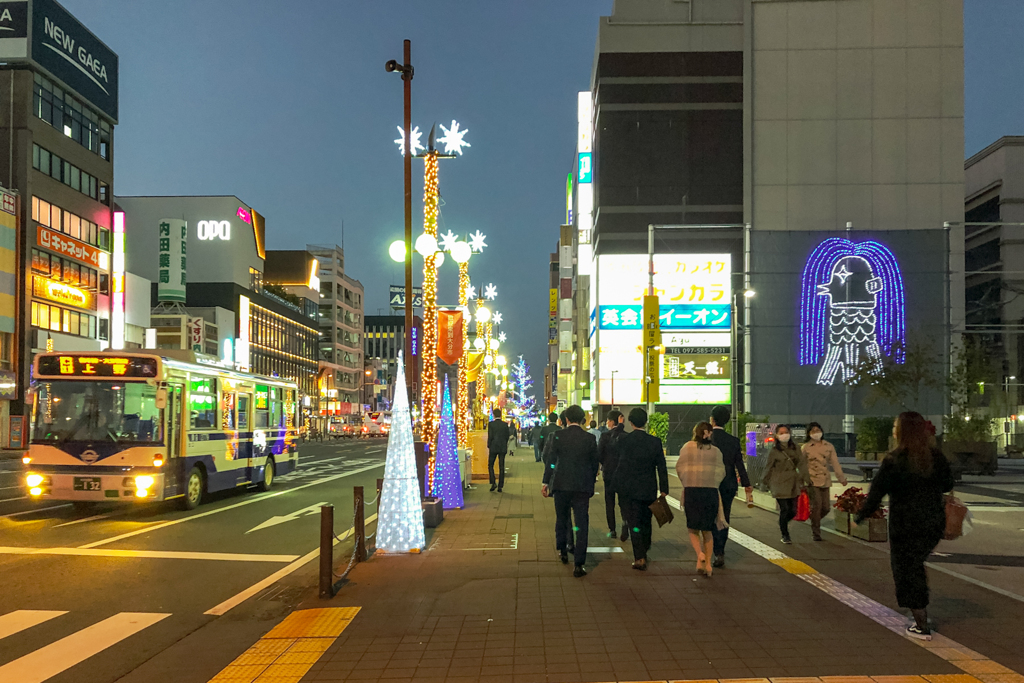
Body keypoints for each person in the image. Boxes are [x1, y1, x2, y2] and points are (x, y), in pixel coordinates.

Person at [856, 412, 954, 641]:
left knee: (907, 570)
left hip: (905, 524)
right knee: (915, 564)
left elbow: (876, 493)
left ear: (902, 431)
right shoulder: (935, 457)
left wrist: (860, 516)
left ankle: (921, 622)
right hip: (932, 522)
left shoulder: (895, 459)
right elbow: (948, 484)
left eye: (895, 425)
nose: (893, 429)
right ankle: (920, 612)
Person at [540, 405, 599, 578]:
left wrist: (546, 481)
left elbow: (551, 460)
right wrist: (591, 479)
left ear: (566, 419)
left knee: (562, 518)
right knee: (581, 522)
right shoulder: (588, 438)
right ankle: (579, 563)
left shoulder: (558, 436)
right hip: (581, 486)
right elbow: (594, 462)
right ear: (583, 420)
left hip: (561, 484)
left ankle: (563, 550)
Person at [610, 408, 669, 571]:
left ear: (630, 422)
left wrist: (616, 485)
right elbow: (661, 467)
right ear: (646, 422)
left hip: (629, 489)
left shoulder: (624, 441)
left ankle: (639, 557)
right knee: (646, 520)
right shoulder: (654, 442)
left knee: (633, 522)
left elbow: (618, 463)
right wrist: (664, 489)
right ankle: (645, 546)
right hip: (648, 488)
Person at [677, 422, 726, 577]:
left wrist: (688, 481)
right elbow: (721, 472)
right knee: (707, 530)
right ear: (709, 433)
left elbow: (680, 468)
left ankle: (699, 554)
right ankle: (708, 564)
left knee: (693, 528)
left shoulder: (686, 447)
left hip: (692, 491)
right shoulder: (716, 451)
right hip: (710, 492)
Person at [708, 406, 751, 568]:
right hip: (728, 484)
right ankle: (720, 551)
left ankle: (710, 548)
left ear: (712, 419)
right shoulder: (732, 441)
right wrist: (746, 484)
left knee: (710, 516)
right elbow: (739, 464)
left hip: (709, 484)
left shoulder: (707, 439)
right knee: (724, 516)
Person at [762, 424, 809, 544]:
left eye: (786, 432)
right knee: (785, 508)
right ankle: (785, 534)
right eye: (781, 433)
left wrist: (806, 478)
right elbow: (768, 467)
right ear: (777, 436)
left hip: (793, 481)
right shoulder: (774, 451)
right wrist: (764, 482)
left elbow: (801, 464)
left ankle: (782, 522)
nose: (784, 435)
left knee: (793, 510)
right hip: (778, 482)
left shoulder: (796, 448)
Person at [802, 421, 848, 541]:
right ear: (808, 434)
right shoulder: (806, 448)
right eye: (813, 431)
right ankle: (816, 532)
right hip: (812, 480)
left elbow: (835, 463)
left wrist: (841, 478)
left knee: (826, 508)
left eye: (818, 430)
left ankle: (814, 520)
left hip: (825, 480)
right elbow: (800, 465)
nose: (816, 433)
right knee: (817, 506)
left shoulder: (829, 446)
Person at [597, 410, 626, 539]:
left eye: (608, 420)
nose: (607, 423)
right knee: (623, 501)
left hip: (609, 473)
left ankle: (612, 529)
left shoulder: (605, 436)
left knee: (610, 502)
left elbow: (599, 455)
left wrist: (603, 464)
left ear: (613, 421)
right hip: (623, 473)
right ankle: (625, 523)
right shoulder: (626, 436)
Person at [486, 408, 511, 492]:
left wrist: (489, 445)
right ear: (500, 415)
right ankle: (500, 485)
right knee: (501, 466)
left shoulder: (491, 424)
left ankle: (493, 482)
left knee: (490, 465)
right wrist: (504, 444)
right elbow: (507, 436)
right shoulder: (505, 425)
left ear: (493, 415)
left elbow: (490, 436)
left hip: (493, 447)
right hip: (502, 447)